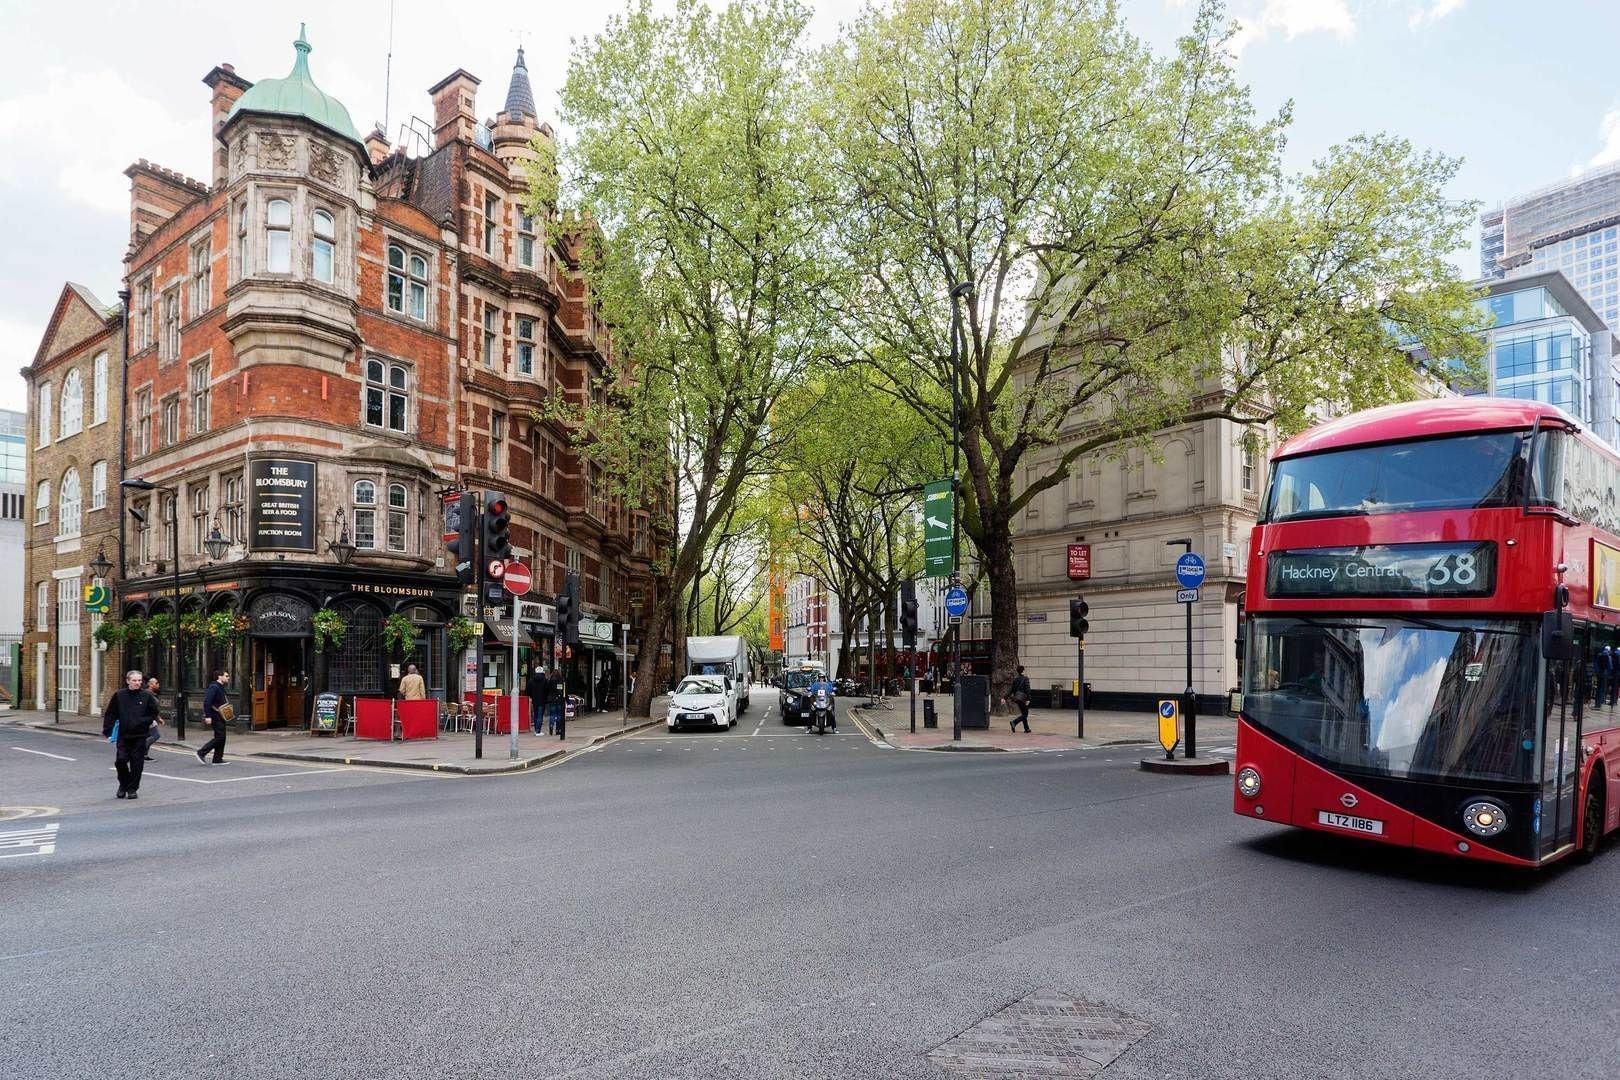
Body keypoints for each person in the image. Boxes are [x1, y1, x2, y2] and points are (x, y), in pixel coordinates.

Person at [103, 670, 159, 800]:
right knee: (121, 761)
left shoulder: (146, 696)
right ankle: (123, 784)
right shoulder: (119, 695)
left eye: (139, 680)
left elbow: (154, 712)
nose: (137, 683)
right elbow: (111, 713)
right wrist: (108, 730)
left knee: (137, 764)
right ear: (128, 681)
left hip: (140, 736)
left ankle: (132, 789)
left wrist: (144, 721)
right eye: (134, 680)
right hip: (124, 735)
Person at [197, 670, 231, 764]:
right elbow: (207, 702)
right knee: (220, 737)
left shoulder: (220, 687)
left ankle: (217, 759)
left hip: (221, 715)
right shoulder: (214, 687)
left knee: (222, 737)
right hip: (215, 715)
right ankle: (201, 752)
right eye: (226, 676)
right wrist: (208, 716)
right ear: (219, 677)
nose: (228, 678)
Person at [525, 663, 550, 735]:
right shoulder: (545, 680)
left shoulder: (531, 681)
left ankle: (536, 730)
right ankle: (538, 730)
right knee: (540, 715)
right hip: (542, 701)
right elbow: (547, 690)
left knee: (535, 715)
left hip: (534, 700)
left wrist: (531, 697)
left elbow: (528, 691)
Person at [143, 676, 164, 760]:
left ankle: (144, 755)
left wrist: (158, 718)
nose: (158, 684)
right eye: (156, 683)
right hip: (148, 719)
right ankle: (139, 751)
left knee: (148, 736)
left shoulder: (151, 694)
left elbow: (154, 709)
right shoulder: (147, 694)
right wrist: (157, 718)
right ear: (151, 684)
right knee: (155, 735)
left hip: (150, 718)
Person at [1009, 665, 1031, 733]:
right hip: (1023, 698)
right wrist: (1028, 699)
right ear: (1023, 671)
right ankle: (1014, 722)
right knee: (1025, 714)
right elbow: (1027, 689)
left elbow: (1011, 690)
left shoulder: (1016, 679)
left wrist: (1005, 697)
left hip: (1017, 698)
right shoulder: (1025, 679)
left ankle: (1026, 728)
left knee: (1023, 713)